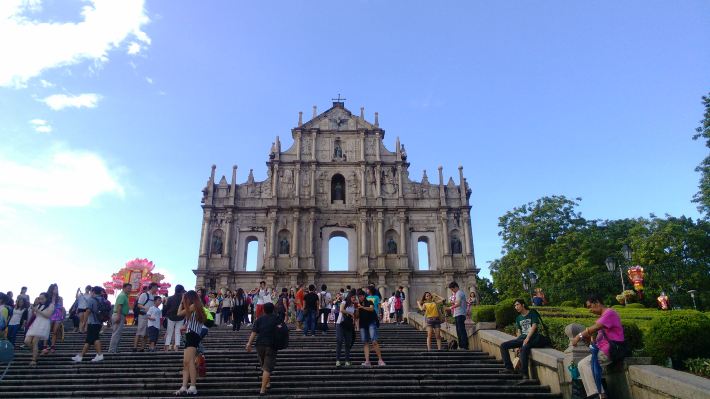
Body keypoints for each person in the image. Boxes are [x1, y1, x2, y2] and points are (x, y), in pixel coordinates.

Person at [571, 294, 626, 399]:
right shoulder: (603, 317)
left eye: (589, 306)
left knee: (585, 363)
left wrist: (579, 336)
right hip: (603, 350)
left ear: (597, 302)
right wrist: (588, 340)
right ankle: (596, 394)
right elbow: (596, 340)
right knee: (582, 365)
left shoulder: (609, 313)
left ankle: (598, 394)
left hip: (611, 350)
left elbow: (594, 328)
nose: (590, 310)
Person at [499, 299, 547, 380]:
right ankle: (509, 368)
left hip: (532, 338)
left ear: (523, 305)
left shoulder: (532, 313)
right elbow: (519, 332)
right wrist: (517, 345)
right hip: (522, 339)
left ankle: (525, 375)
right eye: (515, 306)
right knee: (503, 346)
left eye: (517, 305)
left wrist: (527, 338)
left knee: (524, 349)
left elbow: (534, 326)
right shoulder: (518, 318)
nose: (516, 307)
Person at [246, 302, 282, 396]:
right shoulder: (276, 319)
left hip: (259, 345)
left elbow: (254, 332)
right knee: (267, 366)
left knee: (264, 365)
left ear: (263, 310)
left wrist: (249, 343)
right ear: (273, 309)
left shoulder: (259, 319)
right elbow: (281, 329)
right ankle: (262, 390)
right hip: (271, 344)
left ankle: (268, 383)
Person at [174, 290, 206, 396]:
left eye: (186, 298)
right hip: (190, 335)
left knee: (190, 361)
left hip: (193, 335)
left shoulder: (193, 306)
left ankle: (192, 386)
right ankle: (184, 386)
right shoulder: (194, 308)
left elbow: (179, 313)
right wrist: (182, 302)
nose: (185, 300)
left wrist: (182, 302)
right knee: (186, 362)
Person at [72, 286, 104, 362]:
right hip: (99, 322)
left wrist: (83, 323)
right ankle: (81, 356)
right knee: (90, 340)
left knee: (93, 339)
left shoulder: (91, 300)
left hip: (92, 322)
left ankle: (99, 354)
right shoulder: (103, 300)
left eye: (91, 292)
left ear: (93, 292)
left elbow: (87, 311)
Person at [356, 289, 385, 366]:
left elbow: (371, 309)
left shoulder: (369, 302)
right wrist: (357, 310)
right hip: (362, 324)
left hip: (371, 323)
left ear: (364, 296)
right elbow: (357, 316)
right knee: (365, 342)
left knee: (374, 341)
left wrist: (362, 307)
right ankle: (367, 361)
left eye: (361, 296)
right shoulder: (357, 305)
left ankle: (380, 360)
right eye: (359, 296)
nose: (360, 297)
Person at [133, 282, 158, 352]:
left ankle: (142, 348)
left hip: (150, 317)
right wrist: (145, 308)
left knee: (146, 333)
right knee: (140, 331)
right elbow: (139, 305)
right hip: (143, 315)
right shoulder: (144, 295)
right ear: (152, 287)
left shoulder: (155, 296)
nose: (157, 289)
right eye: (156, 287)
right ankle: (135, 347)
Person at [335, 290, 357, 367]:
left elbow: (355, 315)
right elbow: (341, 310)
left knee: (348, 343)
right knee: (339, 341)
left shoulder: (353, 305)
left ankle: (347, 360)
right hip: (340, 324)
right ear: (349, 297)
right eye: (352, 297)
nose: (354, 298)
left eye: (355, 297)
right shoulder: (344, 302)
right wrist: (350, 313)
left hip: (348, 325)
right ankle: (338, 360)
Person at [108, 283, 131, 354]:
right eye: (128, 288)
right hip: (119, 314)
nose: (130, 290)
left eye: (130, 288)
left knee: (117, 333)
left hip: (121, 315)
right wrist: (118, 316)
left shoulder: (125, 296)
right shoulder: (122, 295)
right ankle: (112, 350)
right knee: (116, 333)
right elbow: (119, 306)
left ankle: (114, 349)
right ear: (124, 288)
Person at [445, 281, 468, 350]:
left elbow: (458, 304)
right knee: (459, 330)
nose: (452, 291)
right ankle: (461, 346)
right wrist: (452, 302)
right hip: (458, 313)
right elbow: (458, 302)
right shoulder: (458, 294)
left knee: (461, 330)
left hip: (460, 314)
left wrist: (449, 308)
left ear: (455, 287)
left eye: (452, 289)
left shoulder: (459, 293)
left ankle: (464, 346)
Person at [163, 284, 185, 351]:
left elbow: (166, 308)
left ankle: (166, 348)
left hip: (171, 317)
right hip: (180, 317)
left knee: (169, 332)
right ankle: (176, 348)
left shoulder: (170, 298)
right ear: (181, 291)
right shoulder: (183, 299)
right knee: (178, 332)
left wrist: (165, 314)